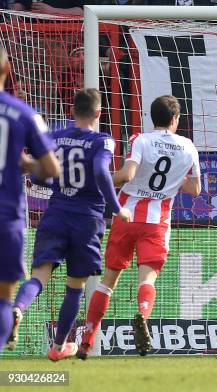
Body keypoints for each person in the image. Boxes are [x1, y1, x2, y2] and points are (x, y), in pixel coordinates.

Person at [7, 89, 131, 360]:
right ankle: (59, 347)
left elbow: (40, 179)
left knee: (39, 276)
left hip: (56, 214)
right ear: (99, 113)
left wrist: (54, 181)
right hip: (87, 221)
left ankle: (17, 308)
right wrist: (117, 207)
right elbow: (100, 171)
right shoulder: (103, 141)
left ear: (72, 111)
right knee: (75, 287)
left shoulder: (54, 137)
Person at [77, 95, 201, 359]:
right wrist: (173, 178)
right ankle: (142, 314)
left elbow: (127, 176)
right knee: (147, 279)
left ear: (151, 117)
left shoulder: (140, 140)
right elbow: (195, 189)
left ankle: (86, 340)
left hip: (126, 216)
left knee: (107, 282)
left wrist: (98, 178)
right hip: (157, 223)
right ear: (176, 119)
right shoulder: (188, 147)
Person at [0, 46, 60, 353]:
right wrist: (26, 165)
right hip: (6, 213)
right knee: (4, 298)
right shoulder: (24, 114)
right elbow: (50, 170)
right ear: (8, 70)